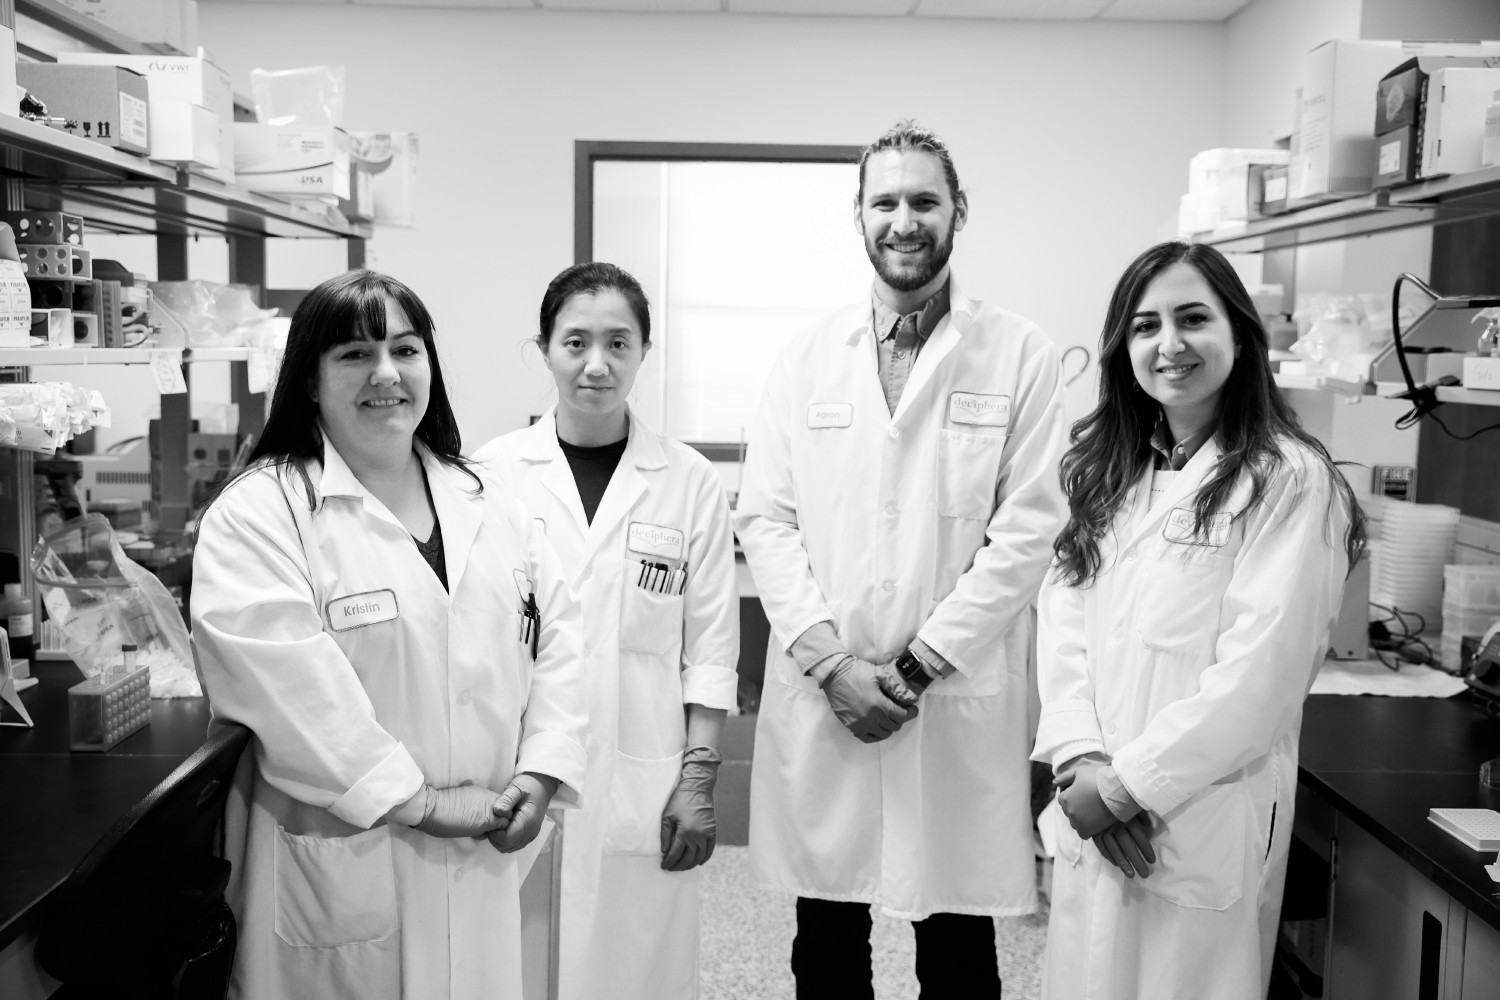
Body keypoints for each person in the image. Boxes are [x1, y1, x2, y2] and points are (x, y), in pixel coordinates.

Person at [733, 120, 1069, 998]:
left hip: (950, 696)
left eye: (925, 200)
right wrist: (832, 664)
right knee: (827, 942)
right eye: (885, 201)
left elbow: (1027, 531)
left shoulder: (1021, 356)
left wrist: (917, 667)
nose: (905, 220)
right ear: (859, 216)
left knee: (959, 950)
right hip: (826, 696)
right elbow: (765, 521)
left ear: (960, 211)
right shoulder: (806, 358)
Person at [191, 269, 588, 1000]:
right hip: (348, 857)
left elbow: (562, 638)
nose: (387, 374)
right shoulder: (261, 515)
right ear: (309, 380)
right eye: (354, 355)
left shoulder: (489, 497)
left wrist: (543, 768)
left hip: (489, 846)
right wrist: (422, 802)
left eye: (405, 351)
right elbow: (288, 693)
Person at [1032, 241, 1366, 1000]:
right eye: (1146, 326)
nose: (1169, 344)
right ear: (1125, 349)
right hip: (1094, 799)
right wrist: (1084, 760)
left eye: (1192, 319)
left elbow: (1262, 678)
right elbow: (1065, 621)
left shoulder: (1290, 479)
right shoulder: (1114, 470)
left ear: (1240, 335)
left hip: (1192, 814)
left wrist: (1127, 787)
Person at [474, 262, 739, 1000]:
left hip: (641, 772)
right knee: (518, 966)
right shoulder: (492, 472)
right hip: (521, 769)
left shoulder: (687, 480)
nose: (597, 364)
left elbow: (712, 644)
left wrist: (697, 776)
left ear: (645, 352)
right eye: (576, 342)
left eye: (619, 343)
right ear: (545, 348)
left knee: (637, 968)